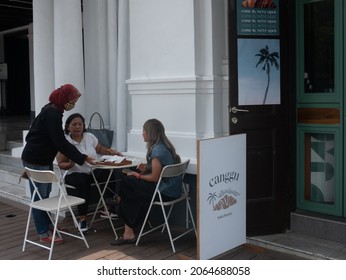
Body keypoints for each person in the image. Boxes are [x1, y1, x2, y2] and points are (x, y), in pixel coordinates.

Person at [21, 84, 96, 244]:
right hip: (35, 161)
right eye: (71, 100)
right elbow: (60, 142)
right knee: (40, 198)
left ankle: (49, 225)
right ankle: (43, 233)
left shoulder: (53, 110)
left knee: (44, 196)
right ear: (63, 99)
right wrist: (82, 157)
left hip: (42, 159)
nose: (73, 104)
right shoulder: (52, 114)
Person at [110, 118, 181, 245]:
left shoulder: (157, 151)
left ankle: (120, 204)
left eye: (144, 130)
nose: (142, 133)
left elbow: (154, 178)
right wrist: (147, 168)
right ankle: (127, 229)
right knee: (130, 191)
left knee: (128, 183)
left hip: (163, 192)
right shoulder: (166, 147)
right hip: (173, 190)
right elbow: (159, 171)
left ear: (150, 133)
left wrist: (138, 175)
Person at [56, 113, 123, 232]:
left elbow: (100, 149)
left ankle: (107, 207)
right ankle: (83, 220)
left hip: (91, 170)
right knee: (83, 181)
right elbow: (60, 164)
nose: (77, 127)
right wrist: (71, 164)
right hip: (73, 174)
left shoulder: (89, 137)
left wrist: (111, 152)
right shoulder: (65, 142)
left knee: (107, 174)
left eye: (80, 124)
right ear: (68, 127)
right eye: (74, 124)